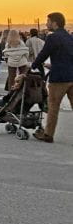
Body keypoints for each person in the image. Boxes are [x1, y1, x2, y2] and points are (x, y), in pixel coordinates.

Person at [32, 12, 73, 143]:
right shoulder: (69, 37)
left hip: (59, 79)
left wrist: (34, 65)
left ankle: (48, 134)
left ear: (54, 23)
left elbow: (44, 53)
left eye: (48, 21)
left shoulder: (52, 37)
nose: (46, 23)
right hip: (71, 76)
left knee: (53, 106)